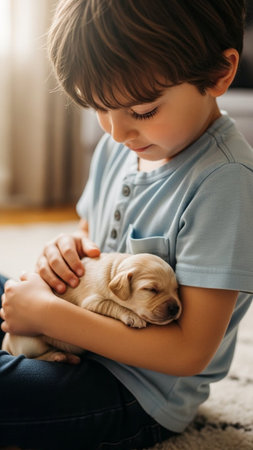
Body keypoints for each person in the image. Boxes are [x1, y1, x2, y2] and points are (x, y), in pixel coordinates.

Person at [1, 1, 253, 449]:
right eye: (100, 109)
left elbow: (188, 351)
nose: (117, 132)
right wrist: (65, 252)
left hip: (133, 392)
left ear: (219, 74)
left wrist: (45, 313)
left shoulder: (226, 183)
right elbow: (89, 239)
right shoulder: (122, 144)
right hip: (70, 332)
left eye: (141, 111)